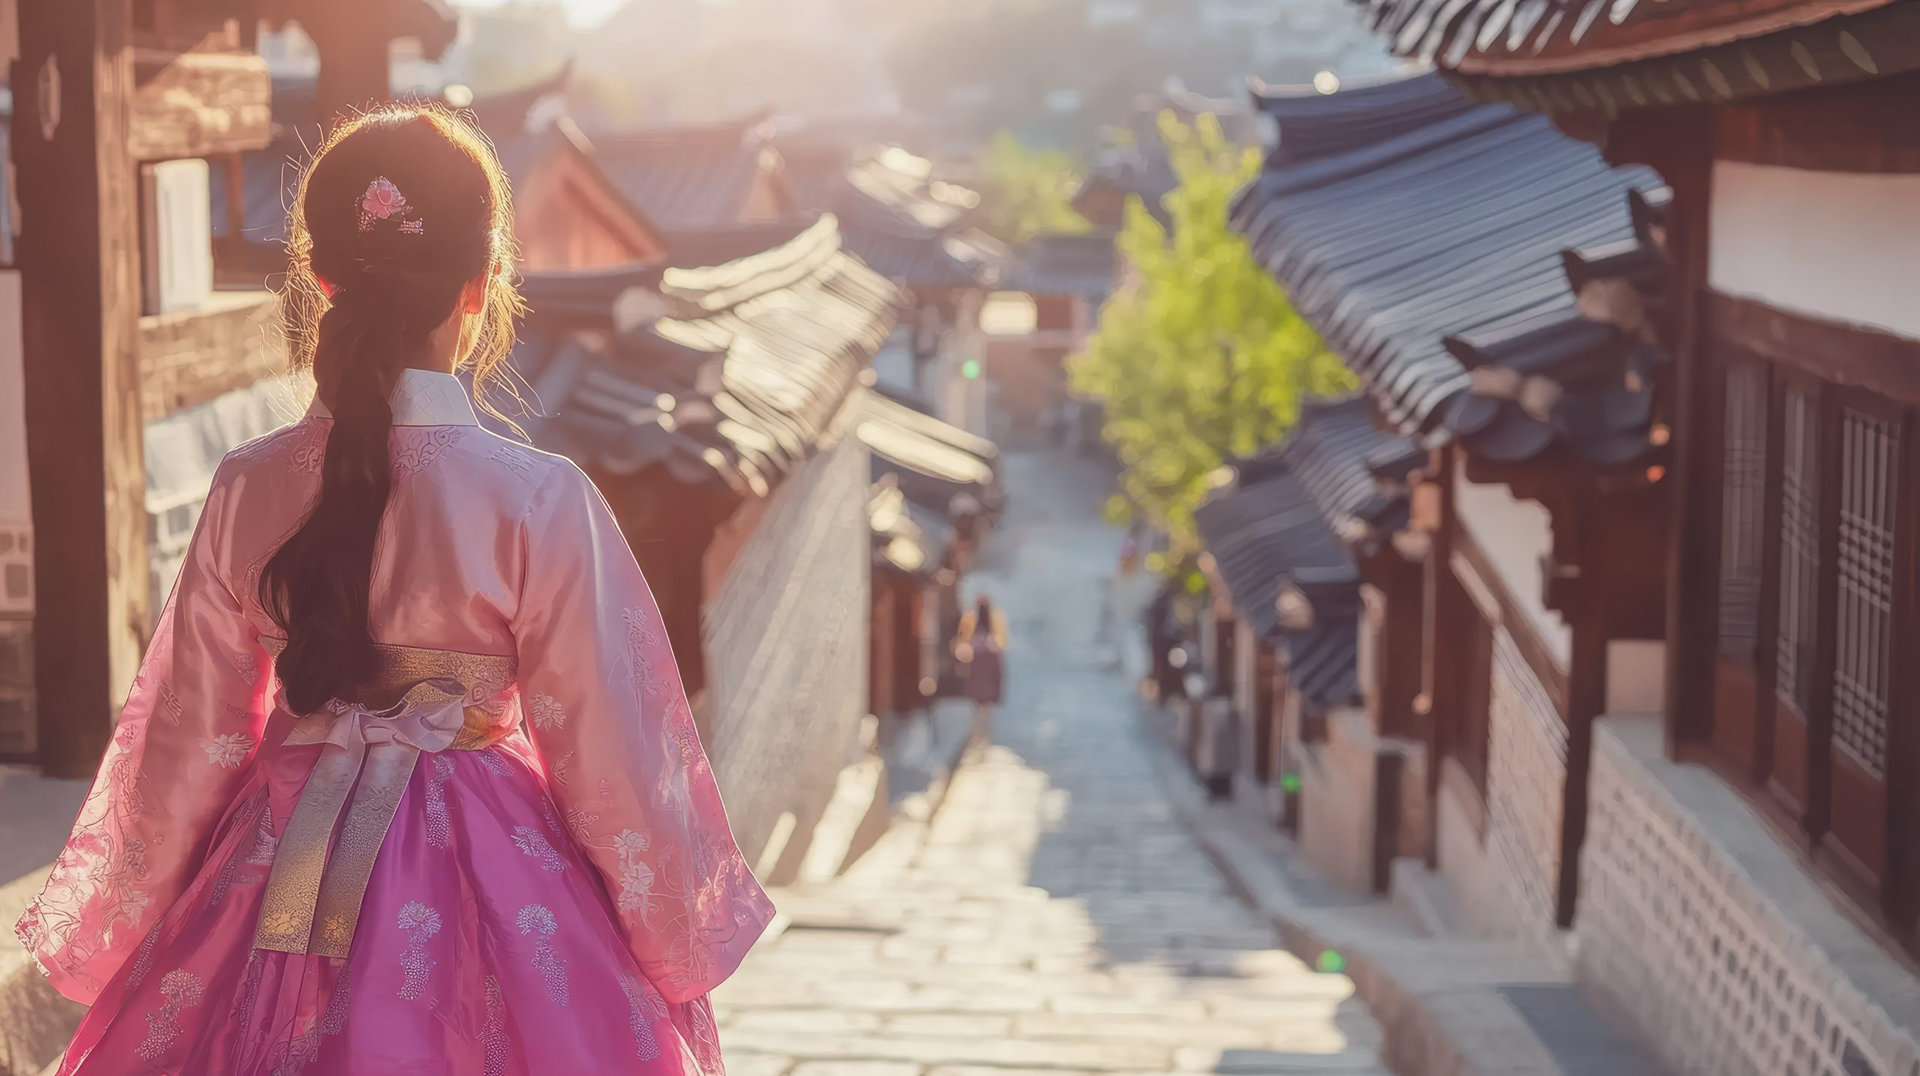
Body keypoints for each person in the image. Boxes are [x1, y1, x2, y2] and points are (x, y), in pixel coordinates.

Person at [16, 106, 772, 1075]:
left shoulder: (248, 483)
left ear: (322, 276)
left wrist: (128, 911)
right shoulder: (538, 497)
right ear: (484, 279)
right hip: (497, 867)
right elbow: (613, 741)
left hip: (276, 853)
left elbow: (189, 736)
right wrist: (674, 932)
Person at [952, 593, 1008, 748]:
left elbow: (1002, 639)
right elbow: (962, 638)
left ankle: (982, 734)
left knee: (983, 703)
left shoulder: (995, 618)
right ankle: (979, 733)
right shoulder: (971, 618)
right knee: (980, 702)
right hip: (978, 663)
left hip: (983, 663)